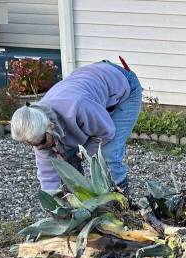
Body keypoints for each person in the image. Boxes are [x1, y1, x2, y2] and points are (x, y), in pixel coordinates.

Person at [10, 59, 142, 193]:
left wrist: (89, 155)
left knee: (108, 154)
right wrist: (51, 203)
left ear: (49, 126)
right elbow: (47, 174)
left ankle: (122, 198)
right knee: (65, 159)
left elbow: (106, 133)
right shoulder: (37, 124)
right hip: (92, 86)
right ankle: (82, 201)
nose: (39, 148)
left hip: (124, 86)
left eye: (42, 142)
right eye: (32, 144)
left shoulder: (78, 107)